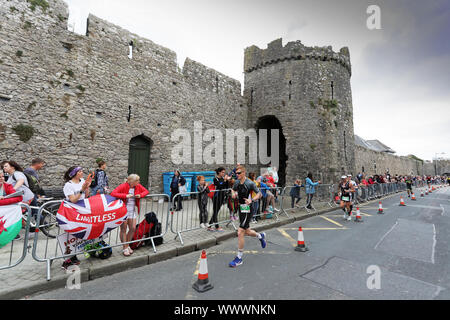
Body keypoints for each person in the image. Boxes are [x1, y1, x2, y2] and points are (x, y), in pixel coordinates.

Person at [229, 165, 265, 268]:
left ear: (244, 173)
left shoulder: (250, 183)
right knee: (247, 231)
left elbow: (259, 194)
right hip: (241, 209)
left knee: (240, 232)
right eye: (236, 173)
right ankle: (260, 236)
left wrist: (251, 200)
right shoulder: (236, 182)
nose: (237, 175)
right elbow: (233, 189)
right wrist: (234, 193)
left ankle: (239, 258)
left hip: (248, 209)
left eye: (239, 173)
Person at [61, 165, 93, 269]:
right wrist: (81, 190)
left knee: (81, 232)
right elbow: (73, 200)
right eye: (80, 171)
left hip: (82, 210)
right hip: (71, 211)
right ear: (74, 174)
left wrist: (87, 187)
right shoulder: (68, 185)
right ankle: (68, 259)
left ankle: (77, 255)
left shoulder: (82, 181)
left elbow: (87, 195)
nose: (82, 172)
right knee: (71, 235)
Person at [111, 174, 149, 256]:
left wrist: (140, 195)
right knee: (123, 229)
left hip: (132, 210)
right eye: (137, 180)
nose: (139, 182)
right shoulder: (123, 186)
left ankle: (127, 245)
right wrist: (125, 195)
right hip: (123, 211)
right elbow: (113, 193)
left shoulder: (138, 186)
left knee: (133, 228)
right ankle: (125, 247)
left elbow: (146, 191)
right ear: (132, 181)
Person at [208, 167, 230, 232]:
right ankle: (216, 227)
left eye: (224, 172)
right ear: (219, 172)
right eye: (222, 172)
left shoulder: (223, 178)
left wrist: (227, 181)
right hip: (216, 197)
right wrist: (225, 181)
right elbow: (220, 187)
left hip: (222, 197)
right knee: (215, 212)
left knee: (216, 212)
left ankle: (209, 226)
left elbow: (226, 186)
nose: (223, 173)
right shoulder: (215, 179)